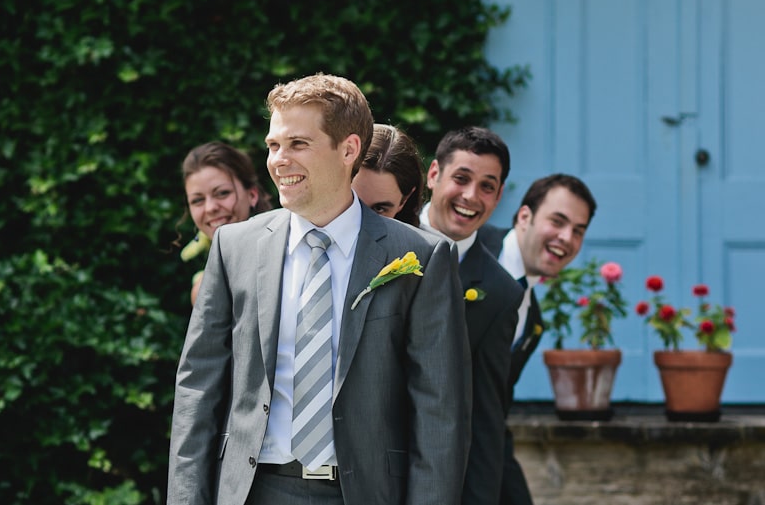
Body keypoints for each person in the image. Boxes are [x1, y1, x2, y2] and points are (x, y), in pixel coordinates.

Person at [167, 73, 472, 505]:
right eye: (274, 145)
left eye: (298, 144)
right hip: (252, 491)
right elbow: (198, 390)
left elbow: (440, 412)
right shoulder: (235, 247)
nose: (278, 160)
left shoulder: (420, 257)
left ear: (348, 149)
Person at [420, 126, 524, 505]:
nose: (470, 197)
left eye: (487, 187)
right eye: (461, 178)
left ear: (498, 197)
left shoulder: (501, 293)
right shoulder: (377, 240)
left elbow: (484, 417)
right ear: (434, 175)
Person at [480, 173, 597, 505]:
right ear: (525, 216)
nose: (566, 238)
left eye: (578, 230)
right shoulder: (471, 248)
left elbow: (495, 405)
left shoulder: (534, 321)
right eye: (558, 222)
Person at [179, 141, 273, 304]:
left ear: (252, 195)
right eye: (197, 200)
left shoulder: (289, 257)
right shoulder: (204, 290)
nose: (210, 208)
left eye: (222, 193)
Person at [351, 123, 425, 226]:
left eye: (379, 209)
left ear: (404, 201)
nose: (360, 219)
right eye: (352, 202)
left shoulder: (426, 242)